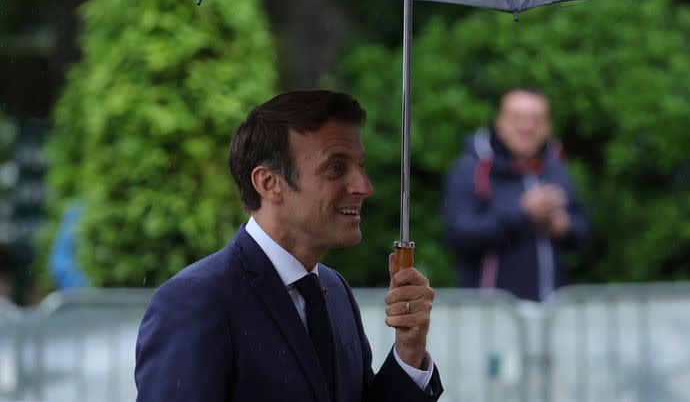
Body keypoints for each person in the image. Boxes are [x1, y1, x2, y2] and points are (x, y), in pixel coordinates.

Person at [135, 90, 443, 402]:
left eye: (360, 165)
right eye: (336, 167)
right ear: (269, 183)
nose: (364, 187)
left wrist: (409, 351)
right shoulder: (196, 301)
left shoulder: (335, 292)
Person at [442, 88, 591, 302]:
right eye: (517, 119)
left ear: (549, 126)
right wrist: (523, 213)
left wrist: (562, 227)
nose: (527, 127)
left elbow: (584, 231)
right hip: (492, 311)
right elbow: (459, 232)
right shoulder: (471, 168)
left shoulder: (556, 167)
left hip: (549, 309)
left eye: (537, 120)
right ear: (499, 123)